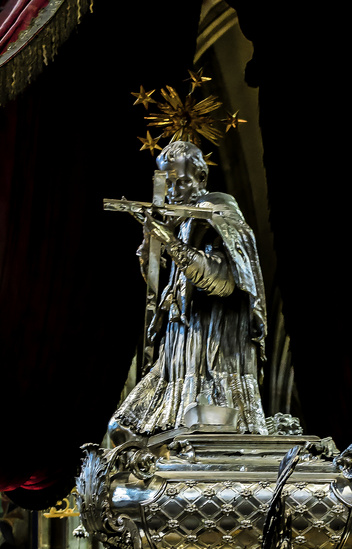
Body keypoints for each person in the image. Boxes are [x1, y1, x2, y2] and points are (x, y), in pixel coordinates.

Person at [109, 140, 268, 441]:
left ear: (201, 179)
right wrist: (149, 248)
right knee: (123, 430)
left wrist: (170, 243)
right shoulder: (183, 222)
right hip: (180, 344)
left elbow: (223, 280)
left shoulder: (218, 211)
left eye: (181, 182)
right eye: (168, 183)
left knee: (193, 439)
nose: (173, 192)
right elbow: (164, 288)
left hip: (212, 347)